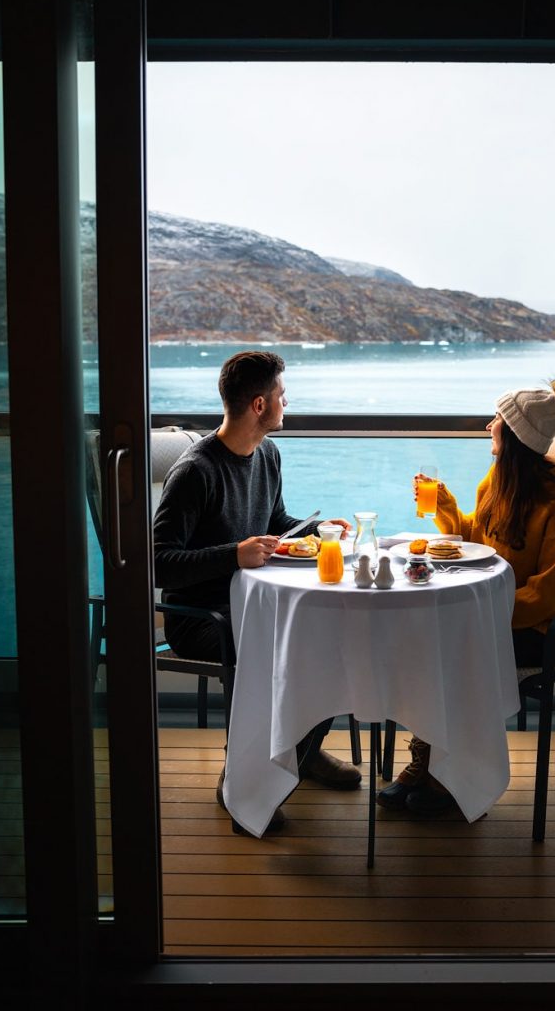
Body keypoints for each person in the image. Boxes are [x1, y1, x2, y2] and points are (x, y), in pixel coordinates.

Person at [153, 350, 359, 835]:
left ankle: (301, 757)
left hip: (258, 607)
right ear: (261, 405)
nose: (289, 402)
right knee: (284, 656)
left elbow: (275, 525)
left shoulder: (267, 453)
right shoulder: (195, 472)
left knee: (335, 645)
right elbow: (159, 563)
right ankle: (241, 782)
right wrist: (233, 555)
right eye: (284, 395)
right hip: (202, 618)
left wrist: (315, 529)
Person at [378, 378, 555, 815]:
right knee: (426, 640)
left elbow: (547, 593)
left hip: (545, 628)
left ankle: (449, 776)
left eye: (498, 422)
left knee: (451, 647)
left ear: (515, 436)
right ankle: (430, 762)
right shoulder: (499, 478)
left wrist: (481, 616)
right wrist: (447, 508)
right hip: (495, 613)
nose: (490, 426)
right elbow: (479, 541)